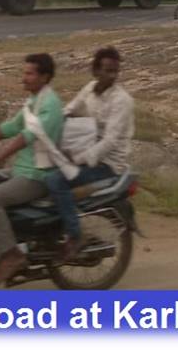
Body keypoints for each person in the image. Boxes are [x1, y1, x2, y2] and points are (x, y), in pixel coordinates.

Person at [0, 54, 65, 285]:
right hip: (21, 170)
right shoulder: (34, 101)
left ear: (45, 77)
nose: (24, 78)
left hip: (38, 175)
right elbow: (12, 127)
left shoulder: (50, 105)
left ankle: (12, 256)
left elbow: (26, 136)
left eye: (29, 73)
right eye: (24, 73)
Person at [45, 46, 134, 263]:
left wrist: (77, 159)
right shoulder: (90, 89)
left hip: (107, 163)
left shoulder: (122, 100)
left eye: (115, 71)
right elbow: (69, 110)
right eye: (107, 71)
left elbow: (109, 141)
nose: (112, 76)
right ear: (95, 72)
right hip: (87, 150)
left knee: (56, 181)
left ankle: (75, 236)